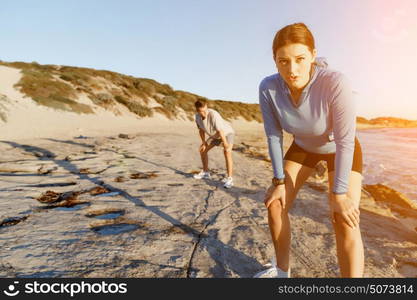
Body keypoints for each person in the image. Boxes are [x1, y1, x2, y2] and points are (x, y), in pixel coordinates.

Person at [254, 23, 364, 278]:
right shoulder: (268, 87)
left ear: (313, 55)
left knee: (344, 219)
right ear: (275, 60)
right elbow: (273, 135)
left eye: (300, 59)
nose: (291, 70)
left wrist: (339, 195)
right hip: (303, 146)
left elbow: (346, 141)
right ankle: (282, 273)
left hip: (339, 148)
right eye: (283, 61)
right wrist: (279, 181)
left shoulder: (335, 82)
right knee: (275, 204)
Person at [193, 98, 235, 188]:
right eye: (201, 112)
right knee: (202, 150)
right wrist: (204, 142)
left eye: (205, 110)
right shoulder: (197, 117)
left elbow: (220, 131)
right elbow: (201, 130)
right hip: (215, 135)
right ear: (197, 110)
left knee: (227, 152)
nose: (204, 113)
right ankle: (205, 172)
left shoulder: (214, 114)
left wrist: (226, 144)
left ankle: (230, 179)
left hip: (226, 133)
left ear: (206, 107)